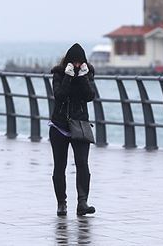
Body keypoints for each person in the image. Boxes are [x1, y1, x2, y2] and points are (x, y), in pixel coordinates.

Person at [49, 43, 96, 217]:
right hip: (59, 125)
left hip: (80, 125)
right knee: (59, 166)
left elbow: (90, 96)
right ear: (68, 62)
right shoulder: (59, 74)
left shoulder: (88, 73)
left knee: (83, 164)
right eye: (74, 62)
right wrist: (68, 76)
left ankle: (82, 202)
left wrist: (83, 77)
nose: (77, 65)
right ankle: (61, 203)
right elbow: (59, 96)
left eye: (79, 62)